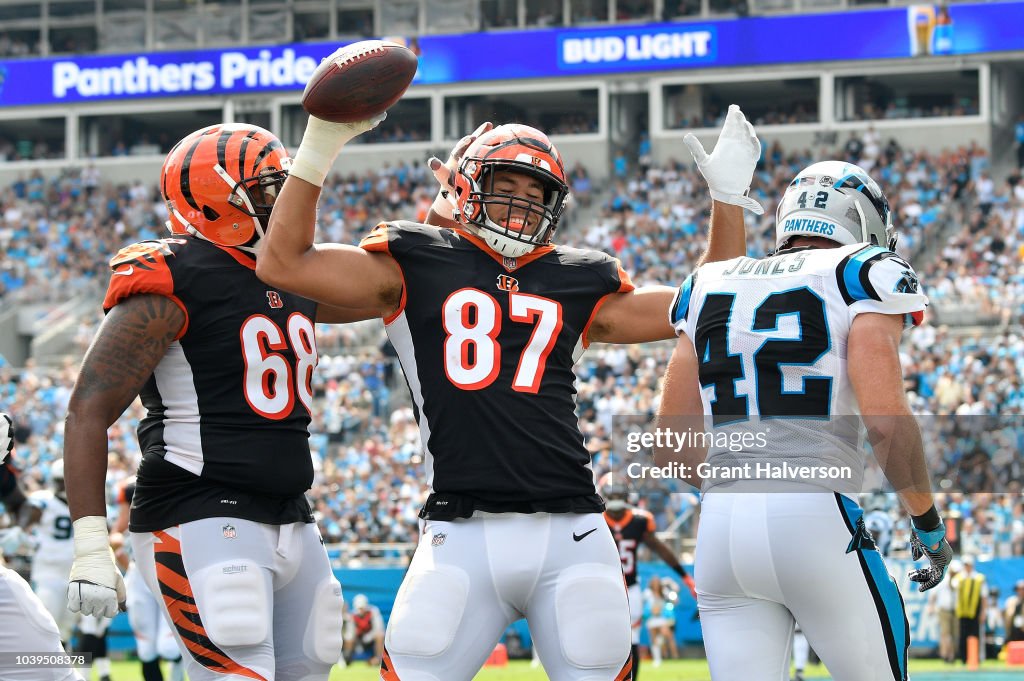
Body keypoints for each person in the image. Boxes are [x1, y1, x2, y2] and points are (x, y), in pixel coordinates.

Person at [258, 71, 762, 678]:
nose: (523, 201)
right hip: (460, 529)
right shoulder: (416, 257)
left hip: (572, 531)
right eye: (507, 185)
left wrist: (728, 198)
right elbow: (282, 262)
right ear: (469, 188)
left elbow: (709, 301)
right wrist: (321, 142)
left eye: (535, 190)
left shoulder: (578, 277)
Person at [61, 123, 378, 681]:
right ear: (210, 202)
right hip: (198, 508)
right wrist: (90, 540)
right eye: (265, 191)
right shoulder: (178, 273)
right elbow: (88, 407)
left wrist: (445, 221)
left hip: (292, 513)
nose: (284, 204)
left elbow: (388, 289)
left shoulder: (292, 272)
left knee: (312, 666)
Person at [657, 160, 953, 681]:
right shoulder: (863, 270)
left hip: (722, 531)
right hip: (815, 513)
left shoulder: (705, 280)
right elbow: (886, 423)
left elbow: (671, 445)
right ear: (863, 220)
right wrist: (927, 525)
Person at [0, 414, 85, 681]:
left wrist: (17, 529)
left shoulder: (83, 502)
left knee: (57, 641)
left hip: (68, 573)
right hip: (48, 573)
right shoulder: (44, 501)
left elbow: (17, 501)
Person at [601, 477, 696, 680]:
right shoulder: (597, 519)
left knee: (631, 638)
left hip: (630, 587)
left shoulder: (639, 520)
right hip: (602, 588)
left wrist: (686, 577)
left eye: (618, 495)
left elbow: (661, 549)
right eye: (613, 495)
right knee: (604, 637)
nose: (616, 500)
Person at [111, 476, 184, 681]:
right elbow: (117, 531)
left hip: (173, 569)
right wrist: (118, 543)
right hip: (141, 573)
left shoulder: (180, 475)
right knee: (146, 649)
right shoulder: (129, 487)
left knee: (169, 647)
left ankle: (177, 675)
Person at [955, 554, 987, 664]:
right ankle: (964, 658)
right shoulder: (959, 578)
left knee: (975, 635)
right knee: (963, 636)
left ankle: (975, 658)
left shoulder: (979, 578)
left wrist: (983, 612)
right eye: (965, 565)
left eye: (968, 565)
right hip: (962, 612)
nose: (966, 567)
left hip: (975, 611)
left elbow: (983, 597)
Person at [343, 593, 385, 666]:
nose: (360, 610)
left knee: (380, 635)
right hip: (358, 638)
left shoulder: (373, 611)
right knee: (348, 638)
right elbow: (351, 632)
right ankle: (346, 659)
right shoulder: (353, 615)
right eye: (359, 608)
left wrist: (369, 636)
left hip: (371, 638)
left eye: (362, 608)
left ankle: (378, 660)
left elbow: (378, 628)